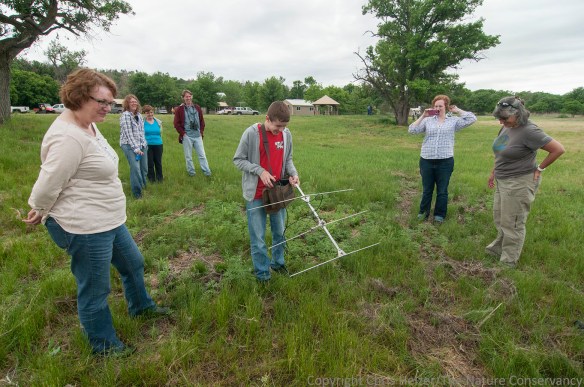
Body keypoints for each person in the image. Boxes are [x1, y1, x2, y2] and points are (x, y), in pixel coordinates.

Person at [23, 69, 169, 356]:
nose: (108, 108)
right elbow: (47, 184)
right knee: (95, 290)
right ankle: (104, 346)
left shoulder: (88, 124)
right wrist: (39, 209)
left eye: (111, 103)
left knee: (133, 264)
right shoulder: (68, 138)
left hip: (108, 219)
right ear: (78, 97)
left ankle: (141, 308)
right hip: (85, 226)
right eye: (102, 101)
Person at [486, 96, 565, 268]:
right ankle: (498, 248)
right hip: (503, 179)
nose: (501, 121)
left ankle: (508, 261)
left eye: (504, 118)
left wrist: (540, 168)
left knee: (513, 222)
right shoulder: (507, 127)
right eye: (498, 118)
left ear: (518, 114)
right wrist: (494, 172)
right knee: (500, 217)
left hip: (519, 182)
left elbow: (558, 149)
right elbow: (500, 151)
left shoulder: (530, 131)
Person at [233, 101, 299, 282]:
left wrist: (293, 173)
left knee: (280, 233)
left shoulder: (286, 135)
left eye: (284, 127)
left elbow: (288, 159)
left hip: (277, 193)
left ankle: (278, 263)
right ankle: (262, 274)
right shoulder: (251, 134)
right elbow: (238, 160)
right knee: (258, 238)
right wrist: (259, 171)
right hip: (256, 195)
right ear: (267, 119)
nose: (280, 130)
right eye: (277, 126)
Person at [408, 95, 477, 223]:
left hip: (445, 161)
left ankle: (439, 215)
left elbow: (472, 118)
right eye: (436, 106)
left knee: (442, 190)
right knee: (427, 190)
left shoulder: (453, 121)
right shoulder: (428, 120)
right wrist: (423, 116)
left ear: (446, 106)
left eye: (440, 106)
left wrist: (458, 110)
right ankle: (423, 213)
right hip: (427, 160)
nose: (438, 108)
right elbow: (412, 130)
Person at [173, 89, 212, 177]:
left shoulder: (197, 107)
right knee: (188, 157)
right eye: (186, 96)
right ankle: (191, 173)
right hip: (187, 136)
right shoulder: (179, 109)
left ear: (192, 97)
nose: (188, 98)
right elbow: (176, 123)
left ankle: (207, 173)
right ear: (183, 98)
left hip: (197, 135)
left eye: (190, 96)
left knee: (202, 155)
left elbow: (202, 121)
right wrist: (183, 134)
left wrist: (201, 132)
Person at [119, 94, 147, 198]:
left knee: (144, 168)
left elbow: (142, 131)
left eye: (135, 101)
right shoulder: (126, 115)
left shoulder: (139, 115)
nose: (134, 103)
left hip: (141, 144)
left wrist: (143, 144)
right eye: (131, 102)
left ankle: (143, 186)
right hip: (129, 145)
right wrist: (136, 148)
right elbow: (128, 133)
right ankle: (137, 194)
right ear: (127, 104)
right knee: (135, 169)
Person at [143, 105, 164, 183]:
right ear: (145, 113)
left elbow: (160, 133)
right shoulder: (142, 122)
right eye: (148, 112)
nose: (150, 114)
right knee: (150, 163)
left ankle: (160, 178)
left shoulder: (158, 122)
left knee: (158, 162)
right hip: (147, 145)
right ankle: (152, 179)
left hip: (158, 144)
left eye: (151, 112)